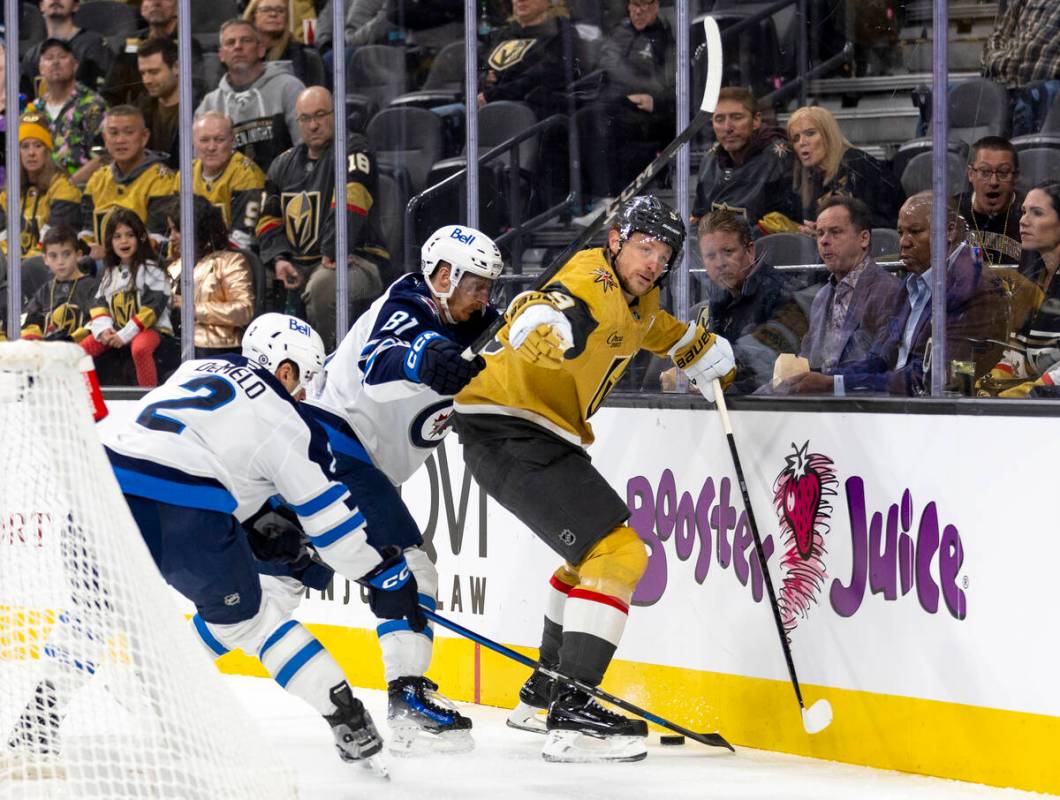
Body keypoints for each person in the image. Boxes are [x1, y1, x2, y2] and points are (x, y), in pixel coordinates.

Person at [13, 314, 420, 768]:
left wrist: (256, 525)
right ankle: (348, 718)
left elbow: (206, 451)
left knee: (93, 611)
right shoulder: (286, 418)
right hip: (182, 508)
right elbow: (333, 527)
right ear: (285, 370)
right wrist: (381, 572)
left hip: (100, 487)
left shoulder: (195, 368)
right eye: (305, 380)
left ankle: (38, 720)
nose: (305, 394)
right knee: (250, 622)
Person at [452, 196, 736, 763]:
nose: (653, 261)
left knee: (587, 561)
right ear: (615, 241)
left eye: (664, 253)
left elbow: (654, 329)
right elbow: (558, 305)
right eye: (643, 247)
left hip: (532, 436)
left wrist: (701, 350)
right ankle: (575, 714)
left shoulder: (639, 299)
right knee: (622, 556)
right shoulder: (590, 281)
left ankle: (544, 695)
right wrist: (540, 321)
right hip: (511, 432)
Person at [301, 224, 503, 753]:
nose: (485, 295)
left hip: (361, 462)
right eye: (476, 283)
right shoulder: (408, 301)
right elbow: (379, 364)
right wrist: (423, 358)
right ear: (442, 276)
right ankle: (408, 702)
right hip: (332, 444)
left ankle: (408, 697)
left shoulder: (480, 323)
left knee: (268, 589)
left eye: (489, 286)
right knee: (411, 566)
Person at [781, 192, 1010, 396]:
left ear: (949, 231)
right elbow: (879, 357)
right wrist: (830, 378)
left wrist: (835, 385)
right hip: (899, 407)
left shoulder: (972, 287)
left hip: (942, 419)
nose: (903, 242)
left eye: (915, 232)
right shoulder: (911, 284)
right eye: (901, 232)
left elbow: (931, 382)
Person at [256, 86, 387, 348]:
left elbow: (351, 202)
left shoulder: (353, 150)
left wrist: (334, 248)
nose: (313, 125)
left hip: (355, 259)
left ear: (335, 114)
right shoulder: (282, 164)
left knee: (324, 286)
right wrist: (279, 259)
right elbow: (267, 219)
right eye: (306, 119)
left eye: (320, 115)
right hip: (298, 263)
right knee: (255, 278)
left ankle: (329, 365)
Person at [689, 208, 806, 393]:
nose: (719, 263)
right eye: (710, 256)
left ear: (750, 251)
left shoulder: (781, 295)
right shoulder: (721, 296)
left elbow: (761, 366)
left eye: (728, 251)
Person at [574, 0, 674, 208]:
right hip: (610, 102)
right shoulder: (618, 33)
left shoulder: (665, 38)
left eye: (645, 5)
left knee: (598, 119)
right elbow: (603, 68)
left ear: (656, 7)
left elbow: (673, 83)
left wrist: (656, 100)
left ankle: (609, 198)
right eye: (635, 5)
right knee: (577, 120)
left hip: (644, 112)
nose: (639, 11)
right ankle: (586, 200)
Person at [799, 196, 901, 375]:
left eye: (835, 232)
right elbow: (805, 360)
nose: (824, 241)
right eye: (820, 233)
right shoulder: (821, 297)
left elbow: (884, 363)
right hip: (818, 398)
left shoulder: (888, 291)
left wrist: (830, 383)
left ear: (863, 238)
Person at [196, 18, 307, 173]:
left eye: (246, 40)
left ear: (261, 49)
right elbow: (199, 164)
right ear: (221, 54)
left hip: (283, 186)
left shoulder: (289, 88)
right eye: (230, 42)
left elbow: (306, 148)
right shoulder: (210, 104)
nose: (238, 47)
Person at [80, 209, 173, 387]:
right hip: (115, 330)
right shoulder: (109, 273)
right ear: (110, 242)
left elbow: (152, 310)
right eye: (117, 236)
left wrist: (124, 335)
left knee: (140, 349)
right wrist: (104, 330)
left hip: (152, 330)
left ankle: (146, 394)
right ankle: (90, 398)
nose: (123, 241)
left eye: (130, 235)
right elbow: (99, 304)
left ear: (141, 238)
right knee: (80, 351)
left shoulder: (152, 270)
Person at [983, 182, 1060, 397]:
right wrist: (988, 386)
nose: (1024, 221)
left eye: (1037, 213)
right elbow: (1017, 351)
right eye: (1024, 211)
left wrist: (1025, 395)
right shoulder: (1033, 278)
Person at [691, 87, 800, 235]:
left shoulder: (779, 160)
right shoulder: (709, 161)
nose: (727, 127)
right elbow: (698, 220)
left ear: (756, 120)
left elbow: (790, 226)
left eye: (736, 117)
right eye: (719, 119)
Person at [160, 196, 255, 358]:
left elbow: (245, 310)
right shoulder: (174, 267)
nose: (172, 237)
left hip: (216, 352)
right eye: (170, 230)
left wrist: (191, 308)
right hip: (172, 346)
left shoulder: (230, 262)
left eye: (177, 230)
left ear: (196, 229)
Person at [79, 105, 179, 257]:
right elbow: (87, 232)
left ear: (144, 137)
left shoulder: (161, 179)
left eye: (128, 132)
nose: (120, 140)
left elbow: (160, 239)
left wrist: (110, 253)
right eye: (113, 133)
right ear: (105, 139)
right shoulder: (97, 179)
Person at [787, 105, 902, 233]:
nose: (802, 142)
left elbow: (874, 223)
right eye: (795, 138)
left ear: (828, 135)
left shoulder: (856, 162)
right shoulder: (813, 180)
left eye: (810, 133)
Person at [24, 37, 108, 184]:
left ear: (75, 65)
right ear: (41, 68)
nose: (55, 62)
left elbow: (106, 155)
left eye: (62, 56)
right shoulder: (34, 109)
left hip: (81, 192)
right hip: (40, 193)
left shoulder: (93, 105)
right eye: (49, 58)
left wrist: (70, 184)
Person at [0, 112, 83, 260]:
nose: (31, 153)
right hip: (11, 267)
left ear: (47, 150)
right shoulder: (8, 193)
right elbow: (2, 235)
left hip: (48, 266)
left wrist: (19, 264)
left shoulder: (64, 189)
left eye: (38, 145)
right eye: (25, 146)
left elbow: (53, 244)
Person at [189, 112, 268, 253]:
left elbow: (243, 240)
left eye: (219, 140)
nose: (211, 147)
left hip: (234, 261)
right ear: (193, 142)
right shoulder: (185, 176)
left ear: (232, 140)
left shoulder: (248, 176)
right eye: (204, 140)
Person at [101, 0, 205, 106]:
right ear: (142, 7)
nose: (156, 2)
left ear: (179, 7)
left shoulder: (186, 44)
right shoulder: (131, 43)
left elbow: (194, 92)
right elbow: (111, 93)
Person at [20, 224, 98, 341]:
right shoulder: (45, 291)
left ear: (78, 255)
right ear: (45, 259)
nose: (60, 262)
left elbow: (96, 325)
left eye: (66, 254)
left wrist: (71, 339)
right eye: (53, 256)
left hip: (80, 352)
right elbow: (28, 320)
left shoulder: (91, 287)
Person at [20, 0, 113, 97]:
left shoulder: (94, 45)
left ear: (76, 5)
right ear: (41, 5)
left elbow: (104, 94)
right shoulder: (31, 55)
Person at [957, 136, 1023, 267]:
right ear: (970, 174)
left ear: (1015, 177)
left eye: (1003, 172)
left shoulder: (1028, 212)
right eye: (985, 172)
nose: (994, 182)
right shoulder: (953, 210)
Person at [245, 0, 327, 87]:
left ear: (287, 18)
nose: (273, 14)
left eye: (280, 10)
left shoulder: (305, 56)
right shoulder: (240, 52)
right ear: (253, 16)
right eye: (266, 9)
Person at [135, 37, 184, 169]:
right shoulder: (141, 109)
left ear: (176, 67)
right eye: (143, 73)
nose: (147, 80)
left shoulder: (199, 109)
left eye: (154, 72)